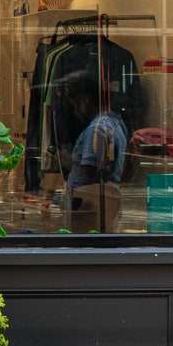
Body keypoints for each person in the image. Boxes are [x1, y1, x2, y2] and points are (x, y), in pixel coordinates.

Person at [57, 69, 128, 232]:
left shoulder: (97, 129)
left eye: (75, 103)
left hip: (88, 206)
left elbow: (90, 172)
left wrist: (65, 159)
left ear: (86, 100)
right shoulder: (115, 121)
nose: (74, 110)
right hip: (103, 204)